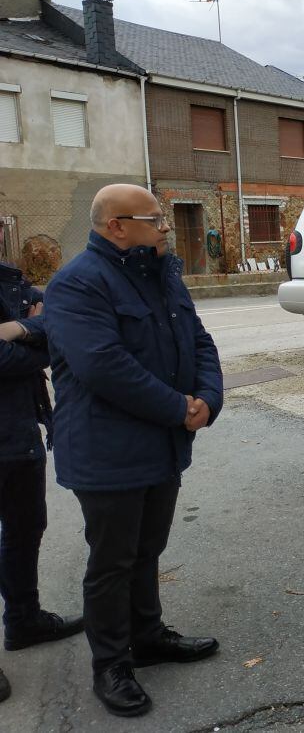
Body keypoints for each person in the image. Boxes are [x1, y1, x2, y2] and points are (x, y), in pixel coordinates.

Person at [45, 184, 223, 717]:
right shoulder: (77, 284)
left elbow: (198, 338)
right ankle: (111, 663)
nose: (165, 228)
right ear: (115, 226)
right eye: (155, 220)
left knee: (147, 550)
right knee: (112, 561)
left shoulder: (161, 273)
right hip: (107, 451)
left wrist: (208, 400)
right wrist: (178, 407)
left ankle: (147, 637)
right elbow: (104, 367)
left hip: (160, 444)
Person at [0, 262, 83, 704]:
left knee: (26, 529)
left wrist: (16, 329)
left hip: (19, 432)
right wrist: (33, 336)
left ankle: (24, 620)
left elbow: (59, 323)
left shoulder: (11, 281)